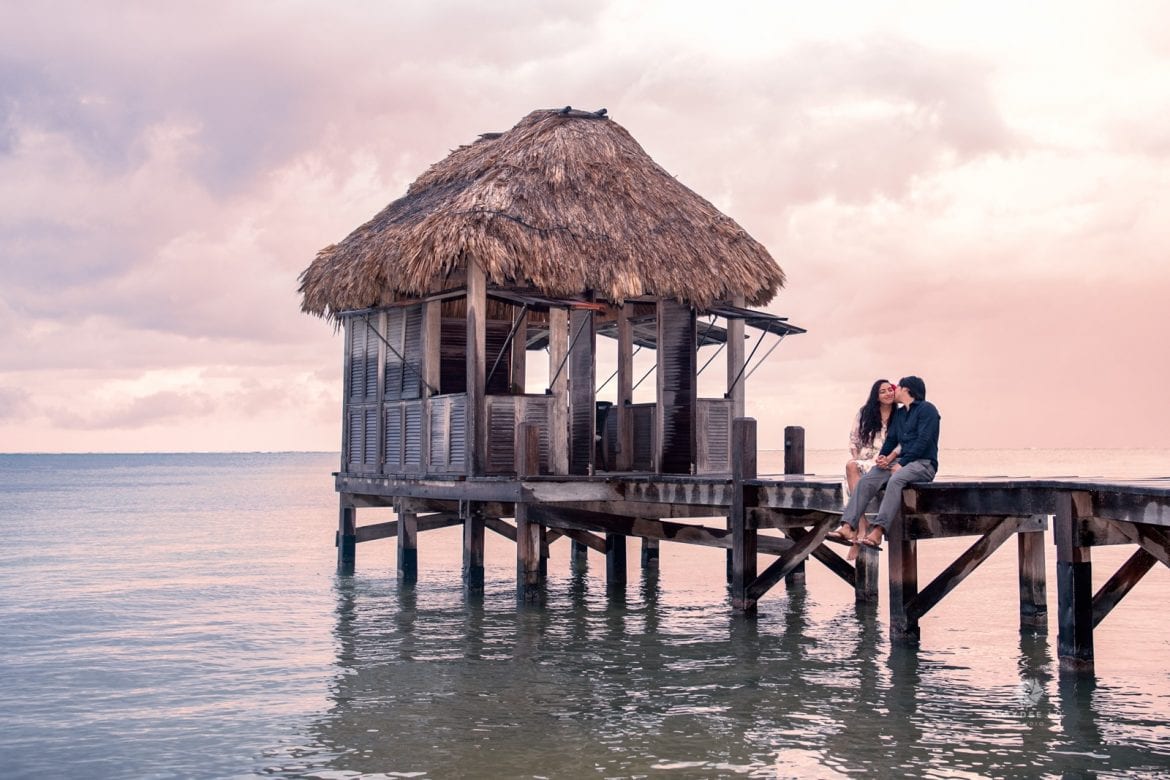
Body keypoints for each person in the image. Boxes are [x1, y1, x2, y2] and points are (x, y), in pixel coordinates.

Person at [834, 375, 940, 549]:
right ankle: (848, 526)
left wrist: (903, 463)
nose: (894, 390)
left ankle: (878, 531)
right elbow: (891, 440)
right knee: (868, 479)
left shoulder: (927, 409)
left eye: (897, 387)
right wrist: (883, 458)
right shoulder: (899, 414)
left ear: (906, 389)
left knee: (896, 479)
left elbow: (923, 441)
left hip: (924, 464)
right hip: (902, 462)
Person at [846, 379, 899, 496]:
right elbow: (854, 438)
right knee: (851, 465)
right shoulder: (865, 412)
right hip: (867, 459)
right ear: (876, 396)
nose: (888, 393)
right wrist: (855, 457)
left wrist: (889, 459)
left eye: (890, 390)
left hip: (888, 460)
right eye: (883, 391)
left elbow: (903, 442)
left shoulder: (900, 414)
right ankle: (859, 514)